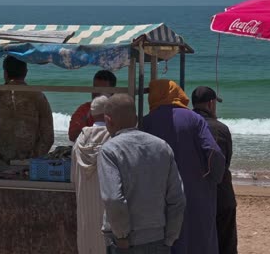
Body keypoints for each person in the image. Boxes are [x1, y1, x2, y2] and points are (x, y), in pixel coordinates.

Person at [142, 80, 225, 254]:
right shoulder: (194, 119)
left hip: (159, 193)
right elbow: (212, 152)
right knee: (199, 237)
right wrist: (213, 178)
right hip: (196, 190)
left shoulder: (146, 122)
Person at [97, 94, 186, 254]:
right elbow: (177, 199)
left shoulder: (110, 150)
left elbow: (113, 199)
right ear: (136, 118)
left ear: (108, 121)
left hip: (126, 243)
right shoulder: (162, 147)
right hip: (159, 238)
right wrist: (170, 238)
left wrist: (122, 237)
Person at [0, 56, 54, 164]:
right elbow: (48, 136)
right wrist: (33, 159)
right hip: (29, 166)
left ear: (5, 73)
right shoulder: (38, 98)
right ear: (26, 72)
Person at [192, 86, 237, 254]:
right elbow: (225, 162)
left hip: (194, 195)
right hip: (221, 195)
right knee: (225, 244)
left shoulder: (185, 126)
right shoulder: (220, 128)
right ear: (211, 104)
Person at [71, 95, 111, 254]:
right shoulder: (114, 140)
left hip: (85, 211)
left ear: (90, 115)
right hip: (107, 214)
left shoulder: (79, 141)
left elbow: (73, 179)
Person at [68, 70, 117, 142]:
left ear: (112, 92)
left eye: (102, 90)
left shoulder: (119, 110)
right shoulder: (84, 109)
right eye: (95, 88)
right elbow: (72, 136)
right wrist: (86, 118)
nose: (96, 93)